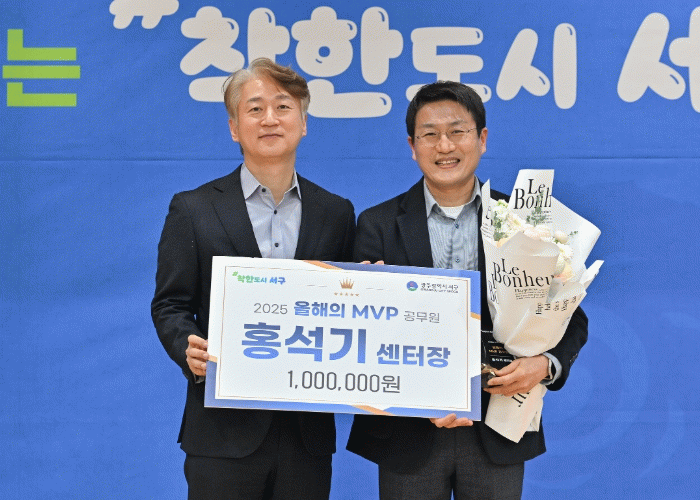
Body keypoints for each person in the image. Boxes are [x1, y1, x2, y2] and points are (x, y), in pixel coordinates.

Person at [345, 81, 588, 500]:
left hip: (497, 424)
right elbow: (362, 332)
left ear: (482, 139)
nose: (445, 145)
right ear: (412, 145)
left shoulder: (524, 221)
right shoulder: (377, 224)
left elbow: (569, 312)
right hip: (409, 432)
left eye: (457, 131)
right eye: (430, 134)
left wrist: (545, 365)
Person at [151, 58, 355, 500]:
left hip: (305, 435)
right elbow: (170, 304)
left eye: (283, 107)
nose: (270, 119)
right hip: (222, 432)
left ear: (304, 123)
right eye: (255, 109)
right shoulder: (193, 208)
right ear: (234, 128)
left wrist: (369, 289)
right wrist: (187, 347)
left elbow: (346, 305)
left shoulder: (336, 212)